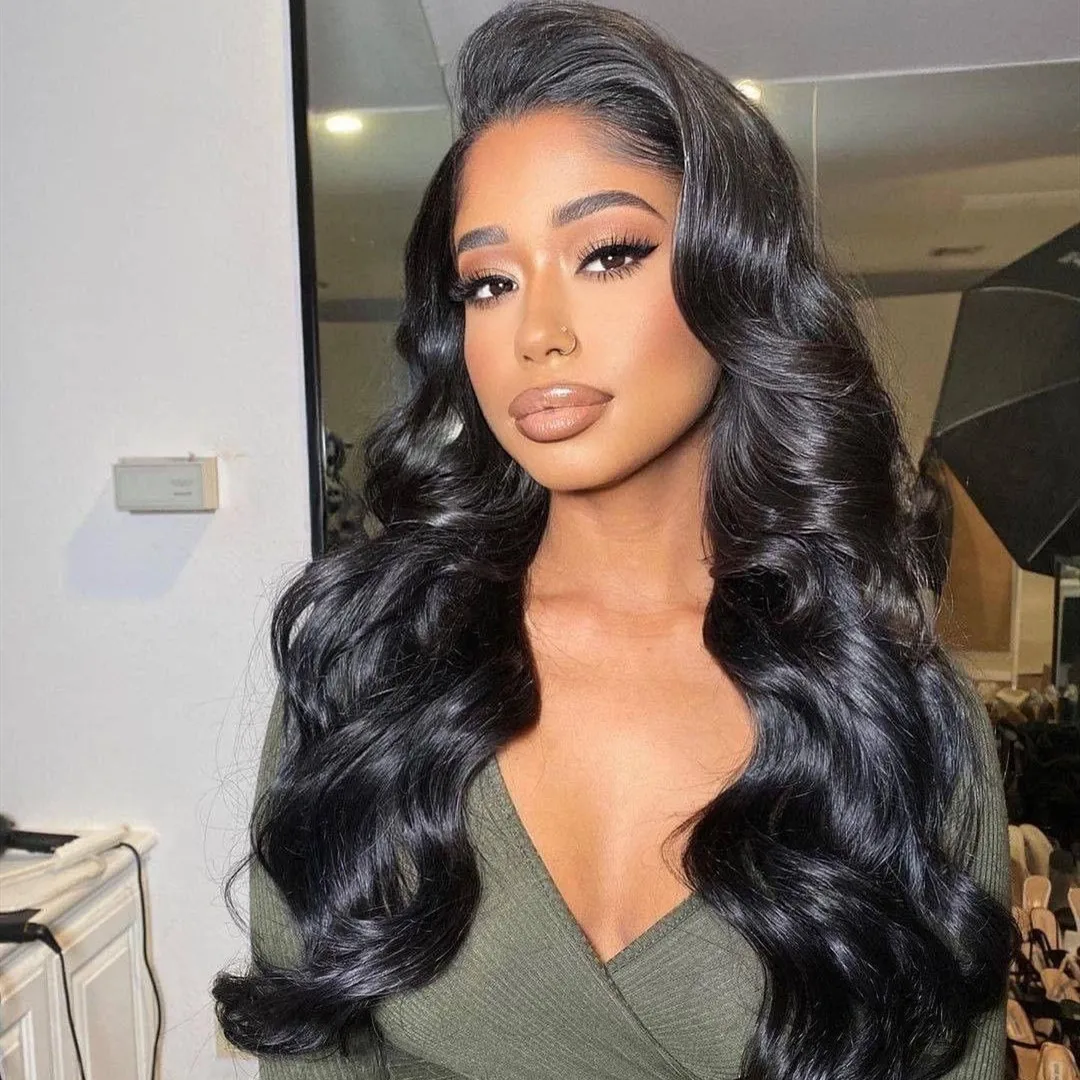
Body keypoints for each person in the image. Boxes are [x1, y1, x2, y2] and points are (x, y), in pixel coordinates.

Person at [212, 3, 1015, 1077]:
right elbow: (310, 1049)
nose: (537, 332)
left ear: (734, 276)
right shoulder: (369, 663)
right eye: (489, 281)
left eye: (607, 254)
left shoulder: (887, 706)